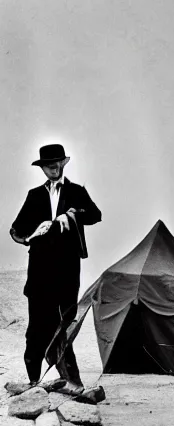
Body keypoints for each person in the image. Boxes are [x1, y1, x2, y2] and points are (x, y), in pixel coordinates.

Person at [10, 144, 102, 390]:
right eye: (47, 164)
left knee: (64, 324)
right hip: (39, 271)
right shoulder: (34, 195)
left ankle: (72, 381)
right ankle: (33, 380)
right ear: (42, 168)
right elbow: (16, 229)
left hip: (67, 271)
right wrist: (30, 236)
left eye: (56, 162)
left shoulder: (76, 192)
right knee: (36, 327)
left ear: (63, 163)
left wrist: (71, 214)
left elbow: (95, 214)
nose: (52, 167)